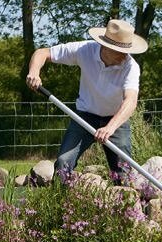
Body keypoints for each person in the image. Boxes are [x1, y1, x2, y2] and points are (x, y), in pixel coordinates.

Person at [25, 19, 148, 184]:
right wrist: (34, 72)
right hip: (84, 117)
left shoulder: (130, 67)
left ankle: (125, 208)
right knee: (63, 163)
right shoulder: (85, 50)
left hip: (115, 120)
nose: (125, 55)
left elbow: (131, 100)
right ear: (106, 47)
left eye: (127, 50)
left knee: (124, 174)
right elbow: (42, 53)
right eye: (120, 51)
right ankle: (61, 205)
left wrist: (110, 127)